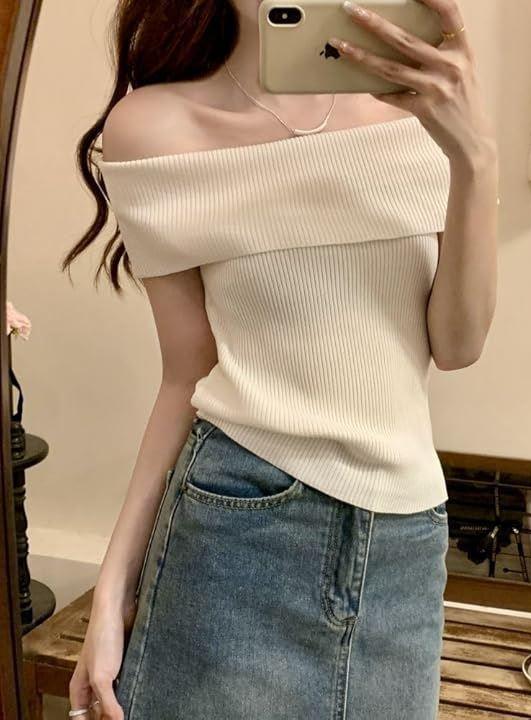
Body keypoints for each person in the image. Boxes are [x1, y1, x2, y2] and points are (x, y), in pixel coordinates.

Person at [64, 0, 498, 717]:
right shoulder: (154, 127)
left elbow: (458, 345)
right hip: (236, 522)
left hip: (404, 538)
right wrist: (112, 594)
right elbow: (186, 373)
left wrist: (474, 156)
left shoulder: (421, 107)